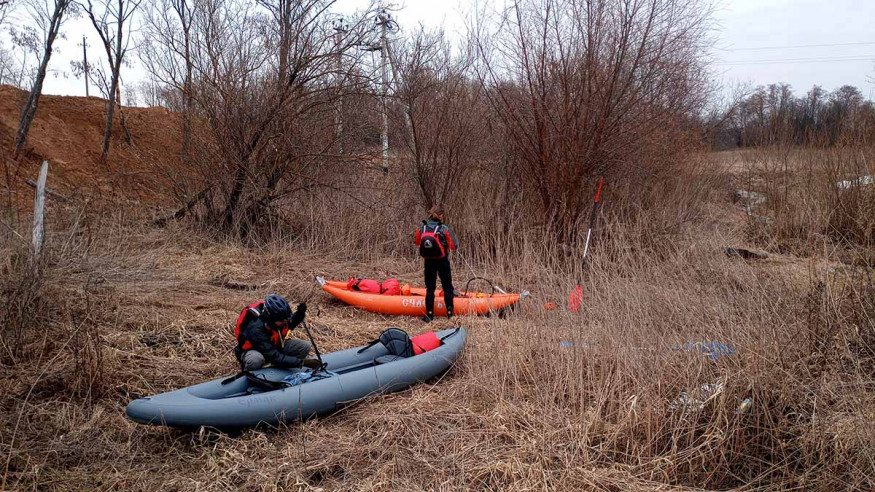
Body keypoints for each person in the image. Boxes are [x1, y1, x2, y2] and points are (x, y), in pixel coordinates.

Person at [234, 294, 321, 371]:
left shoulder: (279, 319)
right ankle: (250, 375)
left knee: (305, 346)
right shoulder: (256, 328)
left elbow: (290, 324)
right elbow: (272, 356)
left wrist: (300, 314)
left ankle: (282, 370)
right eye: (282, 321)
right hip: (255, 350)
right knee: (255, 360)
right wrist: (301, 363)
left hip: (274, 345)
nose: (285, 322)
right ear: (271, 318)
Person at [414, 206, 459, 322]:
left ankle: (429, 315)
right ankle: (449, 314)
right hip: (442, 261)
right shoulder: (443, 228)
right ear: (440, 216)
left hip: (428, 261)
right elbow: (455, 245)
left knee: (430, 288)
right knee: (447, 287)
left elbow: (417, 242)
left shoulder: (422, 228)